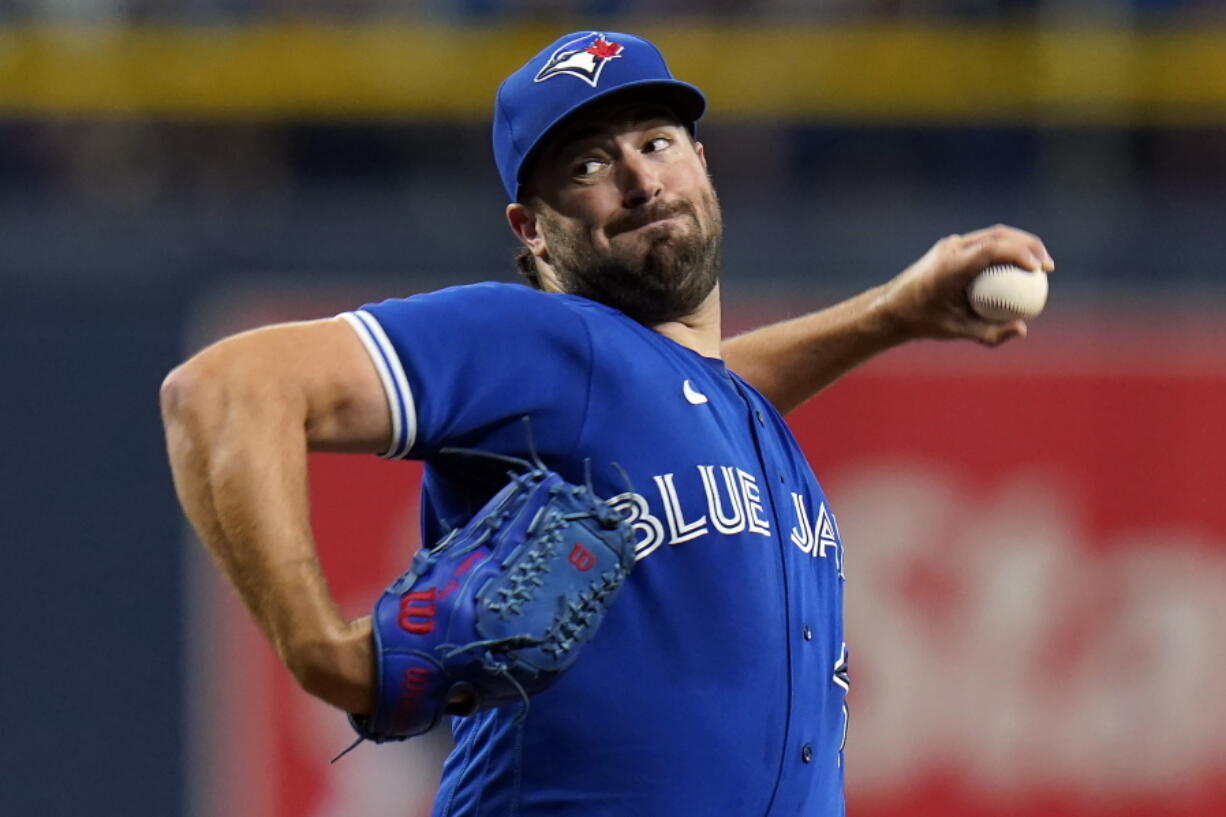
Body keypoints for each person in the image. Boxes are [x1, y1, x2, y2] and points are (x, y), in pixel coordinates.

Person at [161, 30, 1054, 817]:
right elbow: (224, 387)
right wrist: (321, 649)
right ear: (533, 229)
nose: (637, 177)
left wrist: (890, 314)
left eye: (657, 142)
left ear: (702, 162)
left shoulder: (719, 409)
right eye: (587, 164)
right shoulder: (542, 341)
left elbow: (695, 389)